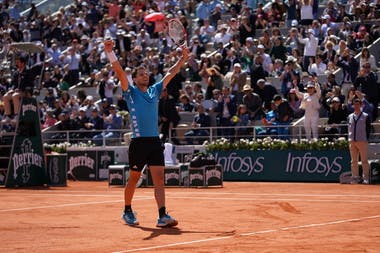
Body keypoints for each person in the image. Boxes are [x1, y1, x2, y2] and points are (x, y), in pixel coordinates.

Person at [104, 39, 189, 227]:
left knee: (159, 178)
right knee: (134, 178)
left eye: (146, 74)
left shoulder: (155, 90)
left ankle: (162, 215)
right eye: (141, 75)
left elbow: (170, 73)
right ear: (134, 79)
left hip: (154, 142)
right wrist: (110, 52)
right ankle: (127, 210)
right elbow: (119, 70)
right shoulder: (131, 92)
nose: (145, 76)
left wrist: (182, 59)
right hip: (138, 142)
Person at [347, 98, 371, 184]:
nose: (356, 106)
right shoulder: (350, 116)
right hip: (352, 141)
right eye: (355, 104)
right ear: (353, 105)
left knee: (364, 160)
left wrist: (366, 139)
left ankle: (366, 178)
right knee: (353, 161)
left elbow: (368, 129)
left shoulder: (365, 116)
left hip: (362, 141)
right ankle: (355, 178)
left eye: (358, 104)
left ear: (361, 105)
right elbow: (349, 128)